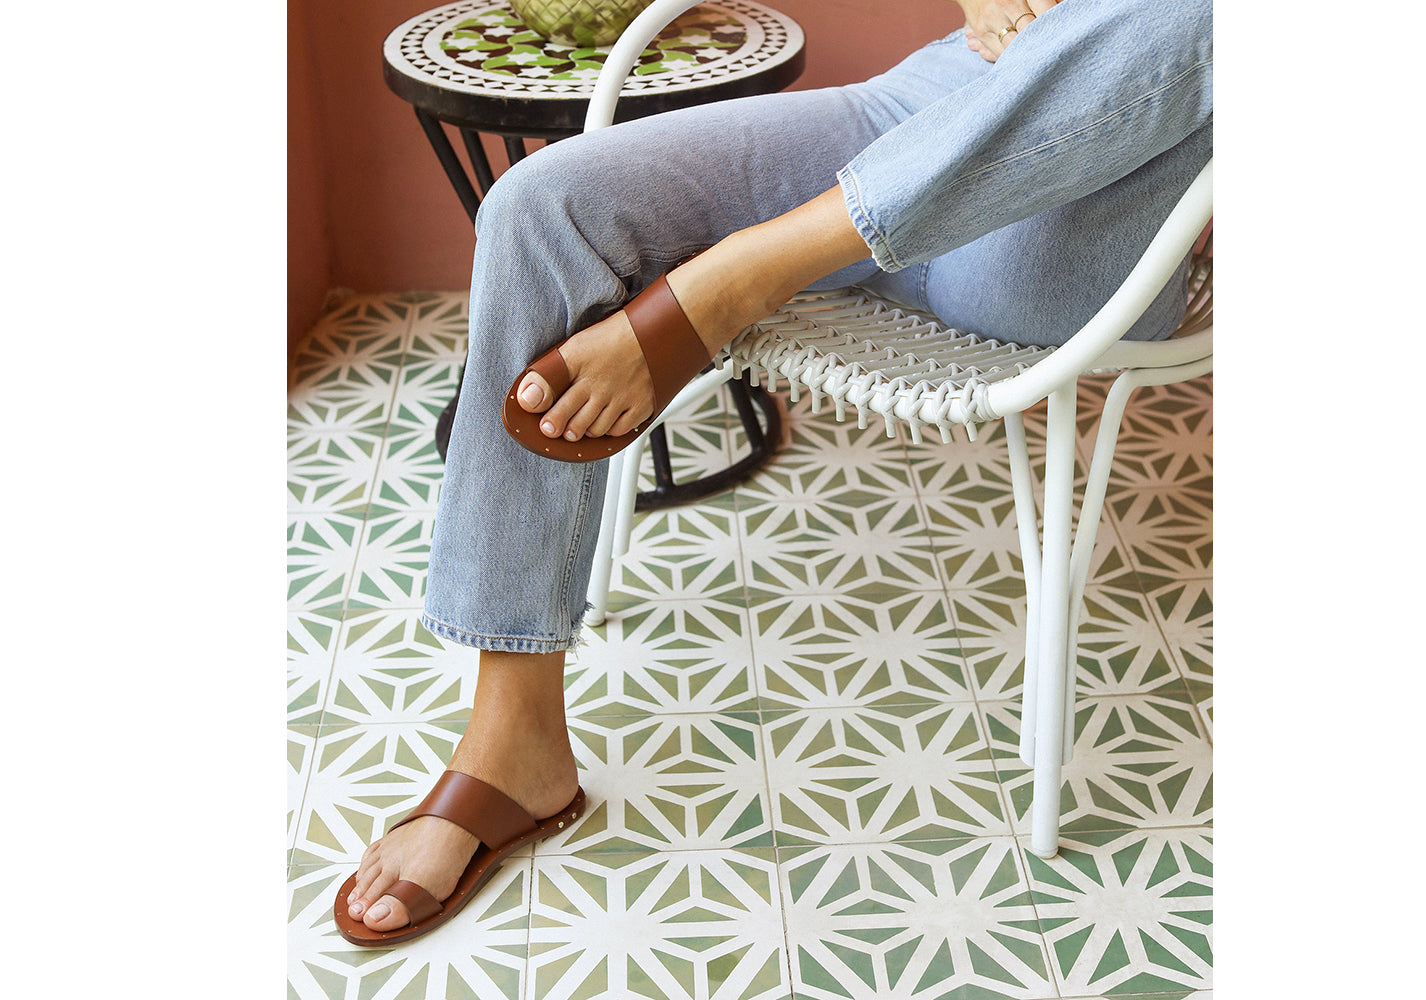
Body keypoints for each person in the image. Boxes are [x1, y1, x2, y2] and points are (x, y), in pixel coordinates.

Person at [336, 0, 1212, 943]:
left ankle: (746, 274)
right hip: (941, 100)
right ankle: (515, 742)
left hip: (1088, 198)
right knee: (543, 209)